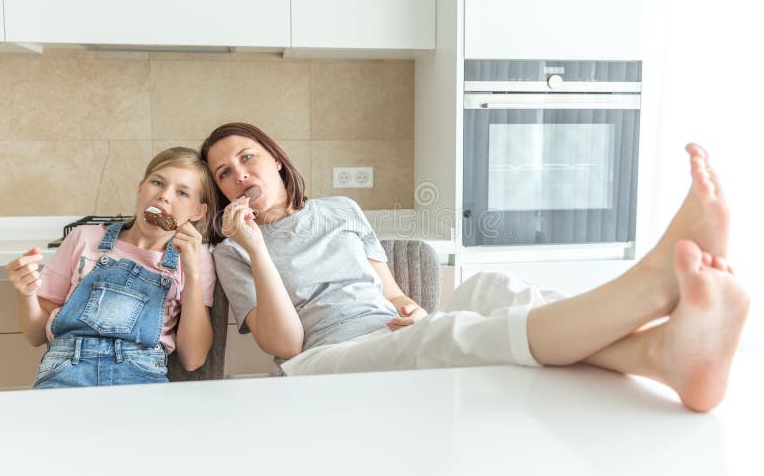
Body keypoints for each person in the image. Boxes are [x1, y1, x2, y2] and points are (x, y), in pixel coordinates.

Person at [201, 122, 749, 412]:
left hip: (387, 332)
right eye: (224, 173)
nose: (239, 175)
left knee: (487, 287)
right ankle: (651, 288)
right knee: (457, 335)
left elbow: (389, 291)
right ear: (222, 193)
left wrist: (410, 308)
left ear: (275, 157)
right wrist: (254, 244)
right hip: (324, 361)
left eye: (247, 157)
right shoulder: (231, 251)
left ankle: (659, 355)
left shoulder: (341, 210)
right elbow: (287, 346)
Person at [4, 147, 217, 388]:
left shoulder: (196, 257)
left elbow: (193, 359)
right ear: (140, 187)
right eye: (157, 182)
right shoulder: (83, 238)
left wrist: (192, 272)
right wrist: (26, 294)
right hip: (65, 371)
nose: (164, 196)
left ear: (198, 211)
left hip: (142, 375)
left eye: (182, 193)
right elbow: (36, 336)